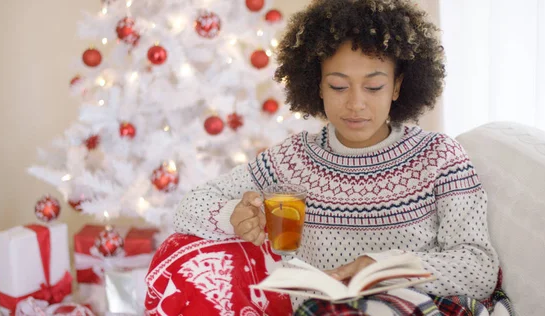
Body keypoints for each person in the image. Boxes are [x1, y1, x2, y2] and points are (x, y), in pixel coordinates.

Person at [145, 0, 513, 315]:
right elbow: (189, 208)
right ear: (317, 85)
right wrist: (235, 217)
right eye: (338, 86)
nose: (355, 104)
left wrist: (382, 267)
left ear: (399, 85)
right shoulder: (292, 159)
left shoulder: (439, 156)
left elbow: (479, 267)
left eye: (373, 86)